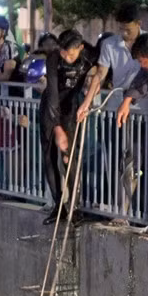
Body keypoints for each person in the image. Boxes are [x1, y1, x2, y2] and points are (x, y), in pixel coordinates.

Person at [39, 29, 95, 225]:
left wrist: (87, 100)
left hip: (72, 107)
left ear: (80, 48)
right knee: (50, 155)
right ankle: (58, 205)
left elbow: (100, 76)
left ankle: (75, 206)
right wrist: (57, 128)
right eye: (63, 53)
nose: (66, 57)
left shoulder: (89, 54)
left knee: (69, 156)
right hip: (51, 107)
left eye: (71, 54)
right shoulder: (53, 59)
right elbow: (52, 95)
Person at [77, 2, 144, 121]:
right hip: (117, 103)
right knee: (115, 138)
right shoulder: (109, 44)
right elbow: (100, 74)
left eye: (128, 29)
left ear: (139, 24)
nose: (124, 33)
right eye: (121, 29)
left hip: (144, 106)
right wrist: (86, 103)